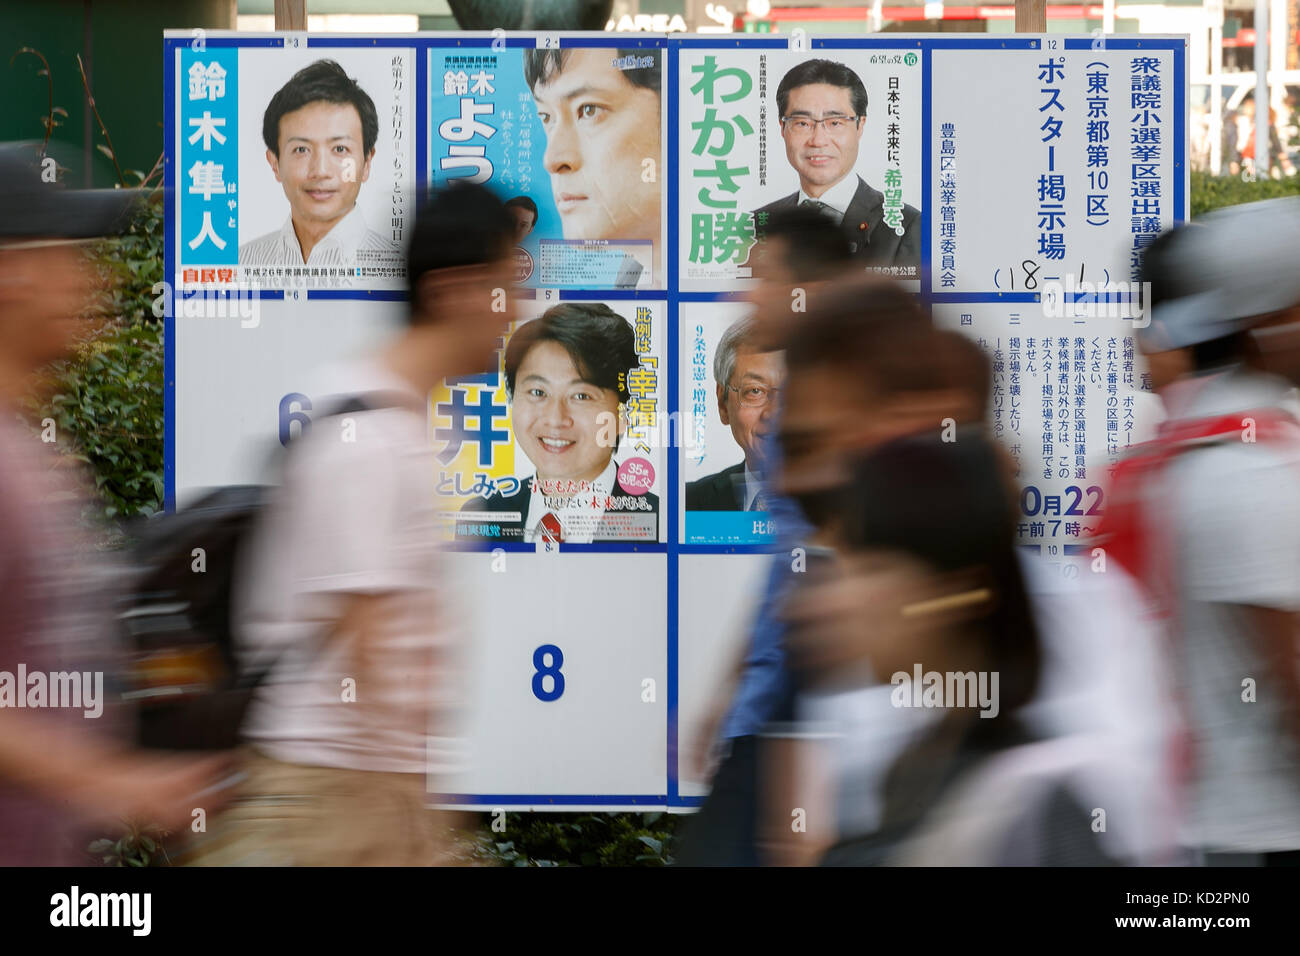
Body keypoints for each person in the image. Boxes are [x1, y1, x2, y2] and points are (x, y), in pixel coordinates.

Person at [189, 180, 517, 866]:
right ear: (452, 291)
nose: (518, 309)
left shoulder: (403, 422)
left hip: (359, 787)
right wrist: (420, 812)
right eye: (506, 286)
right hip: (328, 793)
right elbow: (369, 650)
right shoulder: (365, 436)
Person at [0, 142, 228, 865]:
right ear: (12, 275)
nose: (92, 278)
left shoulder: (33, 447)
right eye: (69, 254)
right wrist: (109, 781)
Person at [1100, 200, 1300, 866]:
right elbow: (1288, 677)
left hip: (1190, 819)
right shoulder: (1245, 466)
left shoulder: (1189, 452)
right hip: (1255, 833)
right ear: (1268, 320)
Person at [461, 302, 658, 543]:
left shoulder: (660, 521)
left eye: (581, 396)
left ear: (623, 413)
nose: (555, 419)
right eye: (537, 392)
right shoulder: (483, 517)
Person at [754, 59, 920, 275]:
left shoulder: (907, 227)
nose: (818, 140)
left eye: (835, 123)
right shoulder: (757, 224)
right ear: (782, 127)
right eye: (802, 123)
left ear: (860, 125)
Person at [523, 48, 662, 284]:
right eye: (546, 117)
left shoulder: (730, 279)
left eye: (589, 110)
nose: (552, 159)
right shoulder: (631, 278)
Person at [240, 59, 395, 269]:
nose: (321, 171)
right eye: (301, 150)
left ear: (366, 162)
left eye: (340, 149)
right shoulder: (240, 265)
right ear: (275, 162)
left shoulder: (397, 270)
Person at [686, 316, 784, 512]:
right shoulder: (688, 504)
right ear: (723, 403)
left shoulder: (852, 507)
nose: (774, 413)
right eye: (755, 391)